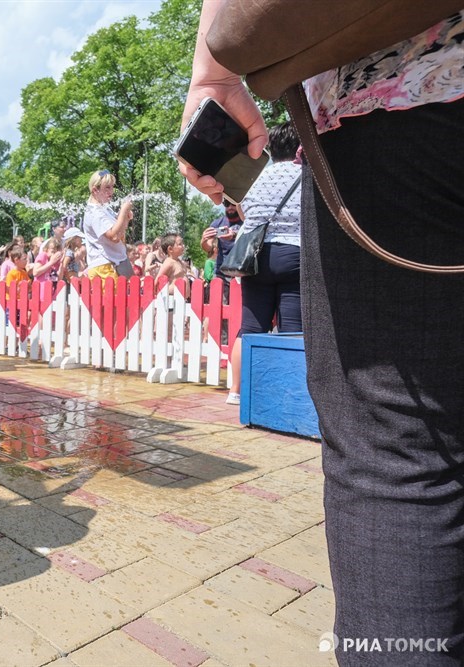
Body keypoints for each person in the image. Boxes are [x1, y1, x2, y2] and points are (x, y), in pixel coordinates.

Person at [183, 6, 464, 663]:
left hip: (407, 94)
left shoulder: (271, 165)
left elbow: (233, 207)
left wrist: (213, 72)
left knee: (398, 456)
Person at [223, 122, 302, 405]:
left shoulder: (255, 179)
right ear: (300, 148)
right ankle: (286, 395)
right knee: (292, 329)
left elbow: (244, 215)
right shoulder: (308, 176)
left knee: (250, 329)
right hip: (294, 256)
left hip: (256, 259)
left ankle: (235, 391)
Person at [83, 170, 134, 280]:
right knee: (114, 297)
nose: (111, 191)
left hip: (114, 262)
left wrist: (125, 218)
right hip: (104, 266)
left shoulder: (104, 208)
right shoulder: (95, 212)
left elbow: (120, 234)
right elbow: (114, 237)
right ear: (95, 190)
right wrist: (124, 211)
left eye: (112, 187)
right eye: (107, 187)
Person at [200, 202, 242, 282]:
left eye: (233, 204)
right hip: (221, 272)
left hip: (241, 271)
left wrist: (234, 235)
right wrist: (204, 241)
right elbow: (208, 248)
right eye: (226, 204)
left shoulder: (246, 222)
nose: (230, 207)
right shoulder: (217, 223)